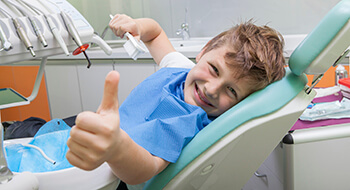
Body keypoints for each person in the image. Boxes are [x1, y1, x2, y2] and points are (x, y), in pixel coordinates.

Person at [65, 14, 286, 188]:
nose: (211, 89)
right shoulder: (181, 68)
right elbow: (155, 33)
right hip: (101, 132)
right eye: (214, 69)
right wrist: (138, 27)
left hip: (110, 173)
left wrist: (116, 147)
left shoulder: (188, 124)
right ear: (204, 50)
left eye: (231, 91)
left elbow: (146, 168)